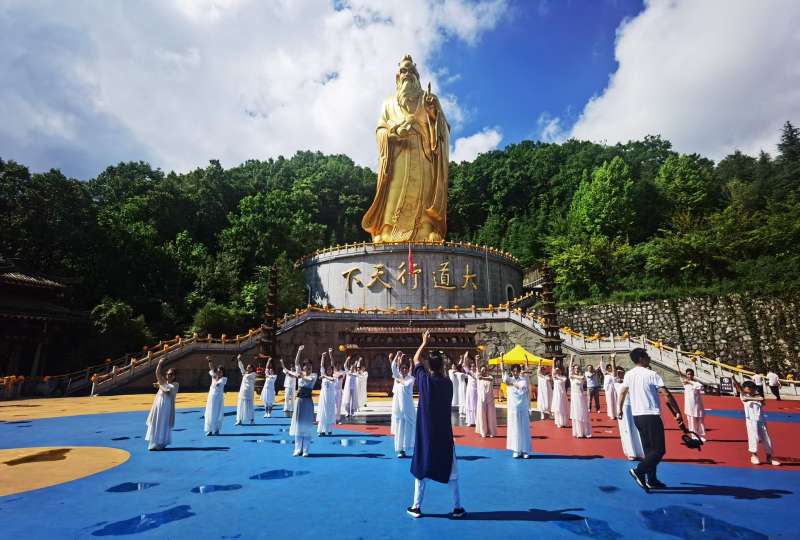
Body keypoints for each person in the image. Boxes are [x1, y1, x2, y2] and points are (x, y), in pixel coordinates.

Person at [408, 330, 465, 519]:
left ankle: (416, 507)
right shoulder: (448, 384)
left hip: (426, 433)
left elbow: (416, 358)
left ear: (428, 366)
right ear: (442, 366)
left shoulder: (425, 381)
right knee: (452, 470)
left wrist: (424, 342)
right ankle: (457, 507)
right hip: (444, 433)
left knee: (421, 468)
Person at [617, 348, 675, 491]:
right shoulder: (652, 374)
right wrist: (676, 412)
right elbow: (666, 394)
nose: (649, 357)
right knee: (659, 450)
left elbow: (623, 391)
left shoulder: (629, 374)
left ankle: (652, 479)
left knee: (649, 450)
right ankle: (639, 470)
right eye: (647, 355)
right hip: (651, 415)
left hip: (637, 416)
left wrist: (619, 408)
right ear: (641, 358)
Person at [732, 377, 780, 466]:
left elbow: (763, 401)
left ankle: (769, 457)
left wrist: (755, 398)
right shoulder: (743, 395)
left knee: (766, 438)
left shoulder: (758, 396)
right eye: (746, 390)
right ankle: (754, 455)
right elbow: (742, 393)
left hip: (761, 420)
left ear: (754, 389)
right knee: (754, 437)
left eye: (749, 391)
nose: (747, 392)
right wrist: (736, 383)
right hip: (750, 420)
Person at [282, 346, 318, 457]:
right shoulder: (300, 372)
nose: (307, 367)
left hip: (308, 402)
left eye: (309, 365)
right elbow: (296, 362)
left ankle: (306, 449)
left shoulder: (314, 375)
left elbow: (309, 380)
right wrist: (299, 351)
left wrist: (300, 375)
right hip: (299, 402)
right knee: (298, 425)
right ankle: (298, 449)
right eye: (306, 365)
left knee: (306, 426)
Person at [501, 356, 532, 458]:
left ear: (519, 371)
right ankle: (516, 450)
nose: (515, 372)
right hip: (513, 409)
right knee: (515, 429)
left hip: (522, 408)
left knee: (524, 429)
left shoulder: (523, 380)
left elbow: (522, 388)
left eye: (517, 371)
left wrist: (513, 384)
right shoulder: (509, 379)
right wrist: (502, 361)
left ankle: (525, 450)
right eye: (513, 371)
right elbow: (505, 378)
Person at [145, 358, 178, 451]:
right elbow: (157, 373)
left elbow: (167, 391)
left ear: (174, 376)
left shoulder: (175, 384)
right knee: (156, 421)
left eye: (171, 374)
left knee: (163, 422)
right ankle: (153, 442)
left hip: (167, 407)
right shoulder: (163, 382)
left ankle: (161, 443)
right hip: (158, 405)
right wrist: (160, 363)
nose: (169, 375)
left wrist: (159, 385)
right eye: (168, 374)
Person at [613, 363, 644, 460]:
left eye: (621, 373)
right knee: (625, 429)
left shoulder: (629, 382)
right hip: (623, 407)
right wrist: (613, 359)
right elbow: (614, 374)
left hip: (633, 406)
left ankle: (639, 452)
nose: (619, 374)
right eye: (618, 373)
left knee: (635, 429)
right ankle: (631, 452)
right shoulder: (616, 383)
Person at [390, 351, 416, 457]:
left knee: (408, 429)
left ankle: (407, 447)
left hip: (408, 409)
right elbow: (393, 367)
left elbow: (405, 384)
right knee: (399, 429)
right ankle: (400, 450)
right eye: (402, 368)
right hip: (399, 410)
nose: (404, 370)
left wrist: (398, 379)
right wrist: (397, 356)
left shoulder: (411, 378)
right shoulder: (397, 375)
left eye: (406, 368)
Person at [569, 356, 592, 438]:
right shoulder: (571, 377)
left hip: (581, 397)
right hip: (575, 398)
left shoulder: (582, 376)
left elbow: (582, 378)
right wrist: (572, 359)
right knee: (576, 414)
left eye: (578, 368)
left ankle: (585, 432)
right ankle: (578, 433)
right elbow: (570, 370)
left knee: (583, 414)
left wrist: (577, 375)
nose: (576, 369)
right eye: (575, 368)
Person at [204, 357, 227, 436]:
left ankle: (216, 429)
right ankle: (209, 430)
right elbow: (211, 367)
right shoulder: (214, 375)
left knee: (217, 414)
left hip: (218, 399)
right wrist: (210, 360)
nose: (219, 372)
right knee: (209, 413)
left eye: (221, 371)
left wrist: (215, 377)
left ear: (223, 373)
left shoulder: (224, 379)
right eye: (218, 371)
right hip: (211, 397)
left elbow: (217, 385)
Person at [474, 363, 497, 438]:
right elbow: (477, 369)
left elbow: (491, 379)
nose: (484, 371)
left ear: (487, 370)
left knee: (490, 415)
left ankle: (491, 432)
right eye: (482, 370)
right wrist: (477, 360)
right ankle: (483, 432)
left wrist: (483, 378)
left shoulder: (490, 377)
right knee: (482, 415)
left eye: (485, 370)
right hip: (481, 399)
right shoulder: (478, 377)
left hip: (490, 399)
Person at [682, 368, 706, 441]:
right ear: (686, 375)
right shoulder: (684, 383)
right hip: (689, 407)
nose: (690, 375)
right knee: (692, 422)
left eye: (691, 374)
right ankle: (694, 436)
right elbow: (683, 380)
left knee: (700, 421)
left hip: (698, 406)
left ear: (693, 375)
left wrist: (690, 382)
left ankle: (701, 435)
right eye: (688, 374)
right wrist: (687, 382)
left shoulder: (696, 383)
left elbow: (700, 386)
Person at [317, 352, 337, 436]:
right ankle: (321, 430)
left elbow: (332, 379)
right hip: (323, 398)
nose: (329, 371)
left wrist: (330, 354)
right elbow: (321, 366)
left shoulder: (333, 377)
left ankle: (329, 430)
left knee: (329, 413)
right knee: (323, 413)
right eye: (328, 370)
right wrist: (323, 357)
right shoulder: (323, 376)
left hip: (331, 398)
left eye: (330, 370)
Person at [235, 354, 256, 425]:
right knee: (240, 406)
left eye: (249, 367)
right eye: (247, 367)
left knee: (249, 407)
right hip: (242, 392)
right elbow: (241, 367)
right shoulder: (245, 373)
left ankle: (252, 420)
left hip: (249, 393)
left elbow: (247, 375)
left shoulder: (253, 374)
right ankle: (239, 420)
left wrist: (244, 374)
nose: (248, 368)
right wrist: (239, 360)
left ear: (252, 369)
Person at [330, 350, 346, 424]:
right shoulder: (333, 371)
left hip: (339, 391)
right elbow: (332, 362)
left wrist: (336, 375)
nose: (338, 366)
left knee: (338, 405)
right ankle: (331, 418)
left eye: (339, 365)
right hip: (332, 390)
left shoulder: (343, 372)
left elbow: (340, 377)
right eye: (337, 365)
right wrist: (330, 353)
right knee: (332, 405)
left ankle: (338, 419)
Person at [464, 353, 478, 427]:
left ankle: (476, 421)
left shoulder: (477, 373)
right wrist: (465, 357)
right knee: (469, 404)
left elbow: (476, 377)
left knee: (475, 405)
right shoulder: (469, 372)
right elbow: (465, 365)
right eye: (471, 366)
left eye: (474, 366)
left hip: (476, 391)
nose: (472, 367)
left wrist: (476, 360)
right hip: (469, 390)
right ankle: (470, 421)